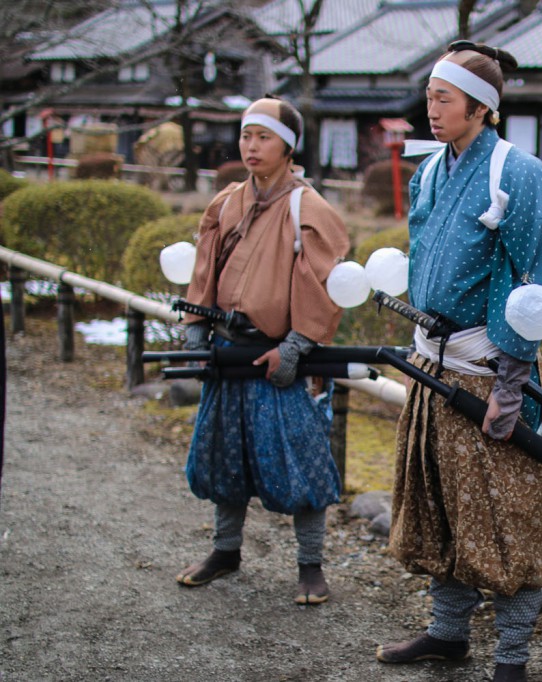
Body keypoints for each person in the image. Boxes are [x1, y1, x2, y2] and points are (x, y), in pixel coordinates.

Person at [374, 41, 542, 682]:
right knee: (440, 505)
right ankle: (447, 633)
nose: (431, 107)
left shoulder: (516, 172)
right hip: (436, 361)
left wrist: (513, 380)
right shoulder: (432, 170)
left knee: (505, 515)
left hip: (487, 367)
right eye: (429, 94)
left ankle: (511, 657)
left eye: (444, 97)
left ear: (481, 107)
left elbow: (539, 278)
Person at [175, 95, 350, 605]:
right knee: (222, 458)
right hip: (226, 349)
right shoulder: (227, 201)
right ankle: (225, 551)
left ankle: (311, 565)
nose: (251, 146)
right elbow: (204, 269)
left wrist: (296, 346)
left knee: (301, 462)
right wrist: (194, 329)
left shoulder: (309, 209)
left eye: (264, 137)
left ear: (288, 147)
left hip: (278, 355)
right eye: (247, 136)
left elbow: (322, 285)